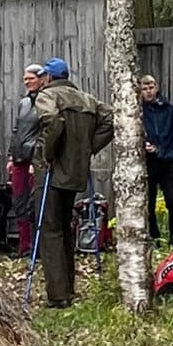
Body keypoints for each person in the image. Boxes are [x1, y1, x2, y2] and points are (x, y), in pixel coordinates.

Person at [32, 58, 115, 307]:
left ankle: (58, 296)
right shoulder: (87, 99)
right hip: (76, 171)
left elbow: (54, 122)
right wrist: (88, 148)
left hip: (52, 171)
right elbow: (111, 118)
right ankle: (67, 287)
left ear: (48, 77)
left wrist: (47, 153)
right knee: (65, 226)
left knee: (50, 229)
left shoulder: (47, 96)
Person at [140, 75, 173, 248]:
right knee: (148, 204)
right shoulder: (138, 111)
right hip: (149, 162)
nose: (148, 91)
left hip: (170, 162)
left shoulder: (171, 110)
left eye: (151, 87)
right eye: (144, 89)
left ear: (157, 87)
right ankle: (154, 239)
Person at [8, 65, 48, 256]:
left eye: (30, 78)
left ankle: (38, 247)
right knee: (19, 201)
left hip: (36, 159)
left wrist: (37, 160)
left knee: (36, 203)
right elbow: (16, 130)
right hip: (19, 159)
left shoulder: (47, 101)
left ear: (41, 79)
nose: (27, 82)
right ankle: (23, 246)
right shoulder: (23, 103)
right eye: (25, 79)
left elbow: (46, 132)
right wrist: (11, 154)